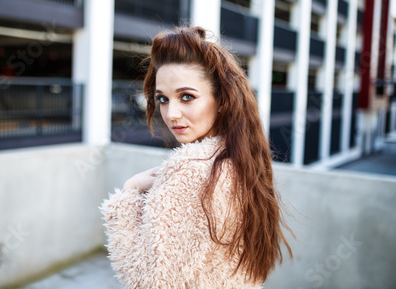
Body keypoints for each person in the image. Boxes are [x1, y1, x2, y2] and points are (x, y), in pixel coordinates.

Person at [100, 26, 293, 288]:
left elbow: (150, 283)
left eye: (187, 97)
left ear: (222, 100)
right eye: (163, 99)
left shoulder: (192, 172)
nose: (171, 114)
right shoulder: (238, 161)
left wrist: (128, 194)